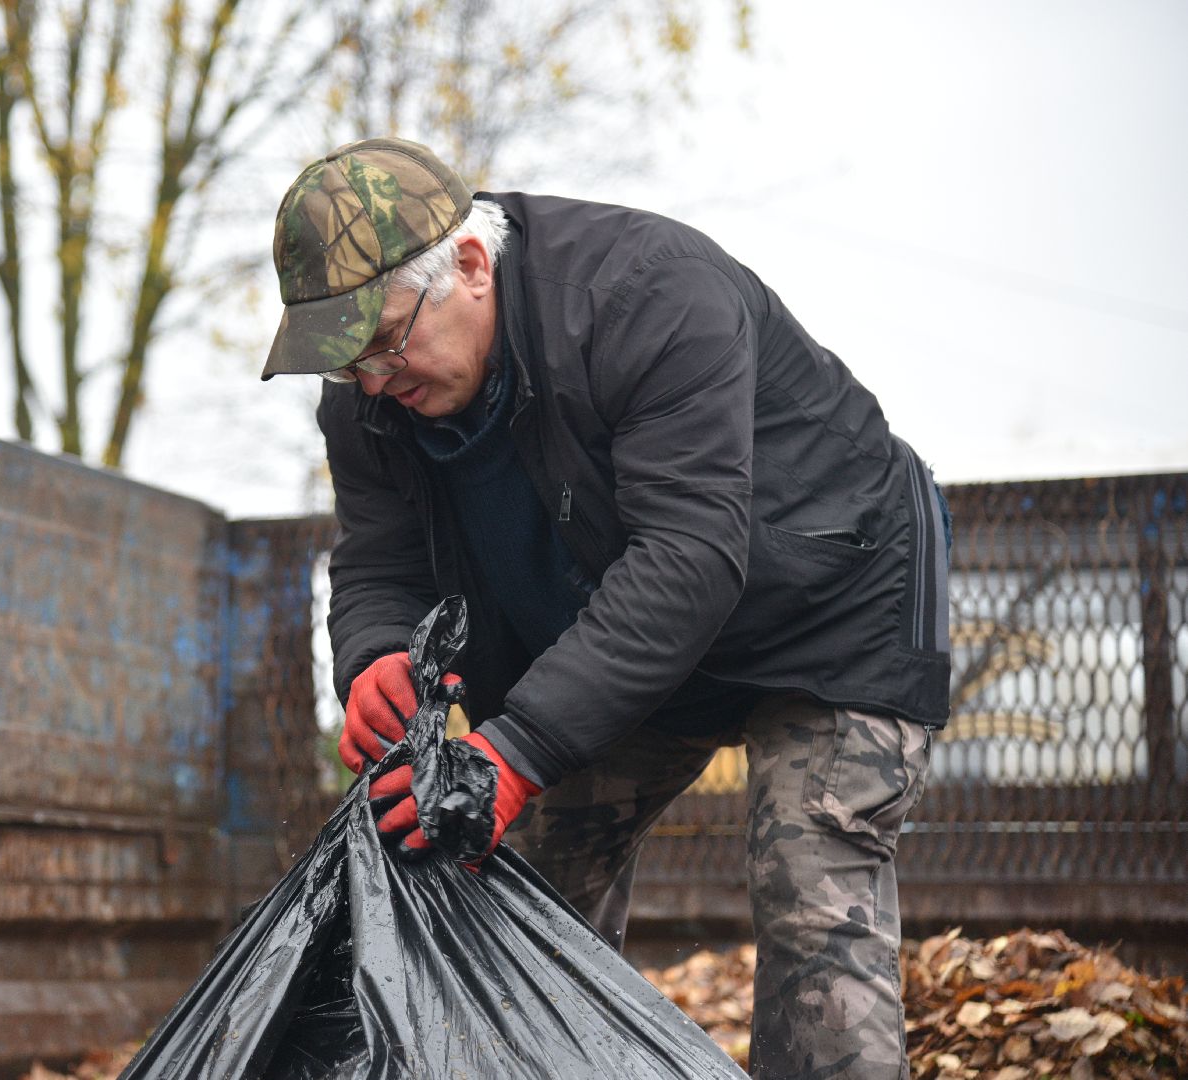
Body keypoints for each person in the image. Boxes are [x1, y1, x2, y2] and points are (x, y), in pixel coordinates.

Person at [260, 137, 951, 1079]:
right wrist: (374, 654)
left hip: (827, 604)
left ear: (468, 265)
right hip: (619, 634)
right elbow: (379, 554)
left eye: (384, 341)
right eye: (346, 365)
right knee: (510, 890)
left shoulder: (647, 296)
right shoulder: (370, 400)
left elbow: (690, 556)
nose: (375, 381)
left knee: (811, 888)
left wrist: (520, 746)